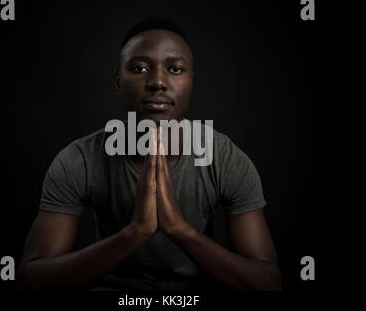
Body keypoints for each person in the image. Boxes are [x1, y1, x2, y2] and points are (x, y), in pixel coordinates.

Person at [16, 17, 281, 291]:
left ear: (191, 83)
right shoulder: (80, 159)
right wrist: (134, 233)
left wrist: (180, 229)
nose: (157, 82)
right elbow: (31, 281)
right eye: (139, 68)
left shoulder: (224, 158)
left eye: (175, 69)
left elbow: (267, 283)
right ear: (118, 82)